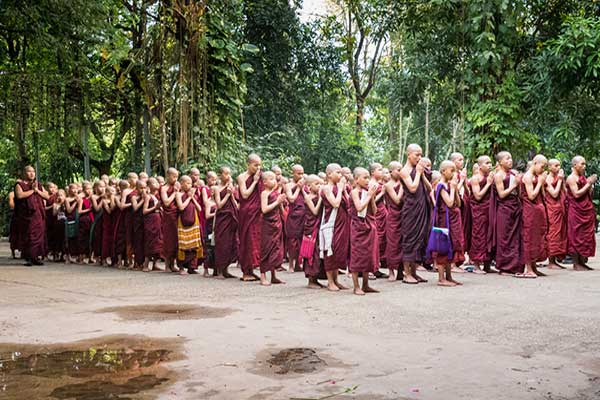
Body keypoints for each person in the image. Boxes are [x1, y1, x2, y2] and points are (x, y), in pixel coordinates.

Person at [399, 144, 431, 284]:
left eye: (421, 155)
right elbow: (412, 188)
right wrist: (418, 173)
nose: (420, 158)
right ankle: (407, 274)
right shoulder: (404, 171)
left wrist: (422, 175)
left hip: (421, 208)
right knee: (410, 239)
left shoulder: (419, 171)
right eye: (417, 155)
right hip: (411, 210)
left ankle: (414, 272)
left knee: (419, 239)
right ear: (409, 155)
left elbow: (429, 189)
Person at [431, 161, 464, 286]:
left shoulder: (449, 185)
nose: (453, 173)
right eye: (452, 170)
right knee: (443, 247)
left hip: (453, 219)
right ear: (443, 171)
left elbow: (458, 203)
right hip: (444, 221)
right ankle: (441, 278)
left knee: (452, 246)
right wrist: (454, 188)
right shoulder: (440, 185)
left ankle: (449, 276)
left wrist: (454, 189)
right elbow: (449, 203)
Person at [349, 167, 380, 295]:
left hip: (369, 225)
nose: (368, 180)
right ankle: (356, 286)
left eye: (368, 177)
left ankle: (366, 284)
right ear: (356, 180)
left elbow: (375, 211)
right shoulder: (354, 192)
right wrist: (369, 195)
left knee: (368, 255)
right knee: (357, 256)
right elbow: (359, 207)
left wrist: (372, 196)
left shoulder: (367, 192)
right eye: (365, 178)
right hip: (358, 227)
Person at [320, 163, 350, 292]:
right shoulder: (326, 188)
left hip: (342, 223)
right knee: (330, 251)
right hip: (331, 223)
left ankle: (337, 280)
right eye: (337, 172)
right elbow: (335, 204)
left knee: (339, 252)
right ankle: (330, 281)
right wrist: (341, 188)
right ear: (329, 174)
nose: (340, 175)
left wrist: (343, 190)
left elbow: (348, 203)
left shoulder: (340, 188)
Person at [494, 151, 524, 275]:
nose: (510, 161)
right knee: (505, 237)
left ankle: (515, 266)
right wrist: (514, 185)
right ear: (500, 162)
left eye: (511, 158)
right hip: (504, 208)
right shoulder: (498, 175)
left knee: (516, 237)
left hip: (515, 206)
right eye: (507, 159)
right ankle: (504, 267)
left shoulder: (513, 173)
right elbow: (501, 194)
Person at [518, 155, 548, 278]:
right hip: (530, 210)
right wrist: (540, 182)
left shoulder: (537, 177)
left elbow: (543, 195)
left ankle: (534, 267)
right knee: (529, 237)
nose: (543, 169)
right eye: (542, 166)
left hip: (538, 210)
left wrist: (541, 183)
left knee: (538, 237)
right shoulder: (528, 177)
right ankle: (528, 268)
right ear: (535, 163)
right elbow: (531, 196)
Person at [566, 156, 597, 270]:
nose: (584, 167)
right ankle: (576, 263)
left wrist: (590, 186)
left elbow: (588, 194)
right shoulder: (571, 178)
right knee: (576, 235)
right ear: (575, 165)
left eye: (585, 164)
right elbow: (576, 194)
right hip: (576, 211)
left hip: (586, 210)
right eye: (582, 164)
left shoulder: (582, 177)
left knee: (585, 236)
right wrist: (589, 183)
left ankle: (582, 262)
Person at [14, 166, 49, 266]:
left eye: (33, 171)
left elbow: (47, 196)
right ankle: (28, 257)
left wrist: (37, 191)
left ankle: (35, 257)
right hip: (26, 215)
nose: (32, 174)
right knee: (29, 235)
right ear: (24, 173)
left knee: (38, 236)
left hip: (38, 214)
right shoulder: (19, 184)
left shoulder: (38, 185)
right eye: (29, 171)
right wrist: (32, 191)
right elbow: (19, 195)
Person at [237, 154, 263, 281]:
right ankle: (246, 272)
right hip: (246, 213)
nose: (258, 168)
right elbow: (245, 194)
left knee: (255, 241)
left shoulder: (260, 177)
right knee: (247, 241)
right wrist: (255, 181)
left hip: (257, 213)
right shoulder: (242, 177)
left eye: (259, 165)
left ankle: (251, 270)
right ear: (248, 164)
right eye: (255, 165)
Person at [259, 171, 287, 286]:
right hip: (267, 225)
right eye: (271, 179)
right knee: (266, 249)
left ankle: (274, 276)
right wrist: (277, 201)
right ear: (264, 182)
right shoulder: (264, 193)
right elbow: (264, 209)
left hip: (277, 224)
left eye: (275, 179)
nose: (274, 181)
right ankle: (263, 276)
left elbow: (280, 210)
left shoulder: (276, 193)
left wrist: (281, 203)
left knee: (276, 249)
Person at [469, 156, 495, 273]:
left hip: (489, 209)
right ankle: (476, 265)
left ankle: (487, 265)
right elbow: (478, 196)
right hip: (479, 210)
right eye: (487, 163)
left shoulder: (490, 177)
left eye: (490, 163)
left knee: (489, 235)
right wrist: (488, 184)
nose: (490, 165)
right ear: (480, 166)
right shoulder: (475, 178)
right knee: (479, 235)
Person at [213, 166, 239, 279]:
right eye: (226, 174)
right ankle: (219, 271)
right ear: (220, 175)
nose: (228, 176)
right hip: (222, 219)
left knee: (230, 243)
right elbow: (219, 205)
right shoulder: (216, 188)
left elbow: (235, 204)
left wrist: (231, 194)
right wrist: (227, 194)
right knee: (221, 244)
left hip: (230, 218)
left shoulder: (231, 187)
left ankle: (226, 269)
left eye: (229, 174)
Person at [175, 175, 203, 275]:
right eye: (187, 183)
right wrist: (189, 198)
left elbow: (199, 209)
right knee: (183, 245)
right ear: (181, 183)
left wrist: (193, 198)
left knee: (194, 245)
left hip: (194, 222)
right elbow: (181, 207)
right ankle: (181, 267)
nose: (189, 185)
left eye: (190, 183)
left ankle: (192, 267)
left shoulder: (193, 195)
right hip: (182, 222)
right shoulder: (178, 194)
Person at [301, 174, 324, 288]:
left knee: (318, 252)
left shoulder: (316, 196)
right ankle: (310, 280)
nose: (319, 186)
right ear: (309, 186)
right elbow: (314, 211)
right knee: (311, 253)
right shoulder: (308, 197)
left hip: (318, 226)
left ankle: (316, 279)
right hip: (311, 228)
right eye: (316, 184)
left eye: (320, 184)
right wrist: (320, 198)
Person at [544, 159, 568, 269]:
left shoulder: (559, 178)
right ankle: (551, 261)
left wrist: (562, 181)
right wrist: (559, 180)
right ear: (549, 167)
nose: (558, 168)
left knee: (560, 233)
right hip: (552, 208)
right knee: (553, 233)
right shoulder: (547, 178)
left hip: (560, 207)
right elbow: (554, 194)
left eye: (559, 165)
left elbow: (564, 192)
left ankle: (556, 260)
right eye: (556, 165)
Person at [384, 161, 404, 281]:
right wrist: (402, 185)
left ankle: (401, 271)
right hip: (392, 216)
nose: (400, 172)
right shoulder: (388, 185)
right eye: (398, 169)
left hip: (403, 215)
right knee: (392, 244)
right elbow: (396, 200)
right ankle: (391, 271)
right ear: (391, 172)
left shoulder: (403, 182)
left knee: (402, 243)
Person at [285, 164, 306, 273]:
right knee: (292, 240)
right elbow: (292, 199)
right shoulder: (288, 185)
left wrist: (303, 189)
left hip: (303, 215)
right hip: (293, 216)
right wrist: (298, 188)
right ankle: (291, 265)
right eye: (299, 173)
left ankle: (299, 263)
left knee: (301, 240)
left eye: (302, 173)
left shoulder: (304, 185)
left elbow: (307, 199)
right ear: (293, 173)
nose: (301, 175)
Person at [369, 162, 388, 278]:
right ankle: (371, 268)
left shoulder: (379, 183)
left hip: (382, 213)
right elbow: (371, 202)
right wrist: (382, 193)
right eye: (379, 170)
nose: (381, 172)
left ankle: (376, 267)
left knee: (380, 241)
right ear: (373, 172)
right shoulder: (371, 184)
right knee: (375, 241)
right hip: (376, 215)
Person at [161, 168, 180, 272]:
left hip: (177, 215)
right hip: (168, 216)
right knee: (169, 240)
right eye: (174, 176)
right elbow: (167, 202)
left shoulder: (177, 186)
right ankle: (167, 265)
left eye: (177, 176)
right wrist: (175, 193)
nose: (175, 179)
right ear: (168, 176)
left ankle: (173, 264)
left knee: (176, 240)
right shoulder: (164, 188)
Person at [142, 177, 163, 272]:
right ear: (149, 186)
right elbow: (144, 211)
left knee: (158, 242)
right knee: (150, 242)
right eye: (154, 183)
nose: (157, 184)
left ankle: (155, 264)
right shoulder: (147, 196)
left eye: (157, 183)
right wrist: (155, 207)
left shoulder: (158, 196)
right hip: (151, 220)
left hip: (158, 219)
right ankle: (145, 265)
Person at [131, 180, 147, 269]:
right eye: (141, 188)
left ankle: (144, 262)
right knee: (138, 241)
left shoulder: (147, 196)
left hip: (145, 220)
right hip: (137, 221)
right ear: (136, 188)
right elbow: (135, 208)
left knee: (145, 241)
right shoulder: (134, 197)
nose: (143, 190)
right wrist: (143, 200)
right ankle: (138, 262)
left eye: (145, 187)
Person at [90, 180, 106, 265]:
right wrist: (103, 200)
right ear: (95, 188)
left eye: (104, 186)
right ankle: (97, 257)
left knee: (104, 238)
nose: (103, 188)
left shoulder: (106, 195)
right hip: (97, 220)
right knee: (97, 238)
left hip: (105, 220)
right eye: (100, 186)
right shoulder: (93, 197)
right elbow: (96, 209)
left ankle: (104, 257)